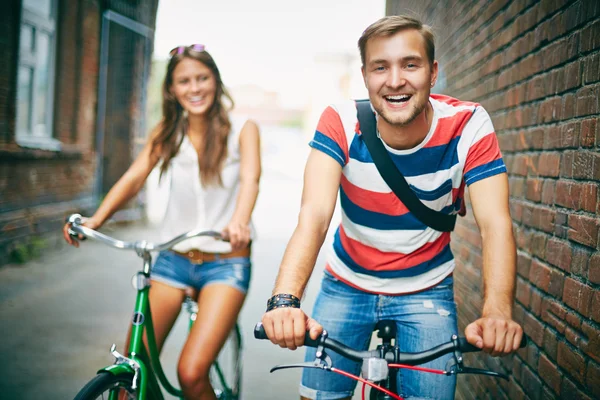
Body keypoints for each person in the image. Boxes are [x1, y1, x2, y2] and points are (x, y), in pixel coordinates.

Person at [260, 15, 523, 400]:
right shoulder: (339, 121)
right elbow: (314, 216)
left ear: (433, 73)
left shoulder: (469, 125)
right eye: (380, 67)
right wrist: (284, 300)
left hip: (427, 288)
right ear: (365, 76)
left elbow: (496, 223)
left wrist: (497, 310)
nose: (395, 80)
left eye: (410, 64)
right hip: (346, 283)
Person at [63, 44, 261, 400]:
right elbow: (134, 177)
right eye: (184, 81)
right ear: (171, 88)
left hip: (226, 263)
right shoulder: (167, 133)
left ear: (215, 81)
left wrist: (240, 221)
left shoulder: (242, 129)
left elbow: (251, 179)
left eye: (202, 78)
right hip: (173, 261)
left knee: (191, 373)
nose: (194, 88)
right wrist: (96, 219)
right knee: (133, 366)